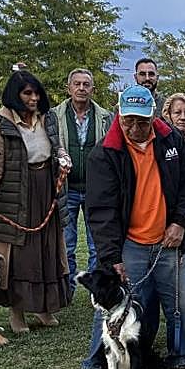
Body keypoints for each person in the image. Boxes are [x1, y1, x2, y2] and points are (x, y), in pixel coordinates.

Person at [78, 85, 185, 369]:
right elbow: (100, 210)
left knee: (182, 305)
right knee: (113, 306)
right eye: (128, 120)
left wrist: (181, 222)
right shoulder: (104, 153)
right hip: (130, 245)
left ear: (154, 116)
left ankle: (181, 358)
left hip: (169, 241)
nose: (135, 128)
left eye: (142, 121)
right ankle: (93, 365)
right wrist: (111, 257)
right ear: (119, 115)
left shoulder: (172, 141)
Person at [0, 70, 72, 334]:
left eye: (36, 92)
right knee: (20, 255)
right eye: (27, 93)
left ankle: (44, 309)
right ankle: (16, 314)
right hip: (17, 195)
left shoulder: (48, 119)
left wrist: (62, 158)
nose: (33, 98)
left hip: (47, 189)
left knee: (48, 250)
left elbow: (57, 147)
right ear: (15, 96)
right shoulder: (1, 125)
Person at [53, 68, 113, 292]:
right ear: (68, 88)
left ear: (92, 89)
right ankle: (66, 288)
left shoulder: (105, 117)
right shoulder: (54, 116)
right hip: (66, 189)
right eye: (76, 84)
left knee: (96, 244)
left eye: (86, 84)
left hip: (95, 190)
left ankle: (96, 288)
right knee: (66, 243)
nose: (81, 88)